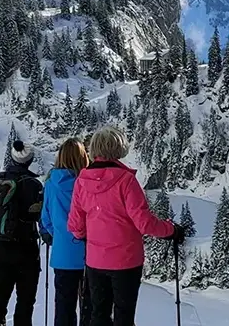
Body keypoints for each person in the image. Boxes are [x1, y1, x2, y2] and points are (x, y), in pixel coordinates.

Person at [67, 126, 185, 326]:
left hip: (96, 261)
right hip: (126, 260)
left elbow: (75, 225)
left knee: (99, 314)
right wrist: (171, 230)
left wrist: (90, 236)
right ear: (118, 148)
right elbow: (144, 223)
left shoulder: (82, 181)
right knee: (124, 316)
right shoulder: (126, 181)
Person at [0, 140, 44, 326]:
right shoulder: (34, 184)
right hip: (27, 248)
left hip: (2, 246)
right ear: (30, 160)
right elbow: (41, 216)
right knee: (25, 301)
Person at [40, 138, 93, 326]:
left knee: (64, 307)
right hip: (90, 254)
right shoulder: (87, 183)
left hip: (62, 254)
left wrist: (60, 235)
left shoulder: (51, 184)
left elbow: (45, 219)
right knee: (90, 307)